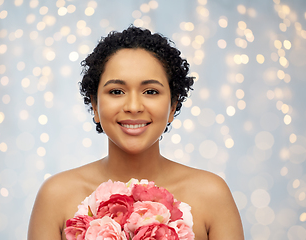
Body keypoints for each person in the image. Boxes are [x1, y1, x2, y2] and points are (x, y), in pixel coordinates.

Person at [28, 26, 244, 240]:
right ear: (95, 105)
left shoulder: (212, 195)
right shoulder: (55, 196)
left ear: (172, 106)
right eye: (116, 91)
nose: (133, 106)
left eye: (150, 91)